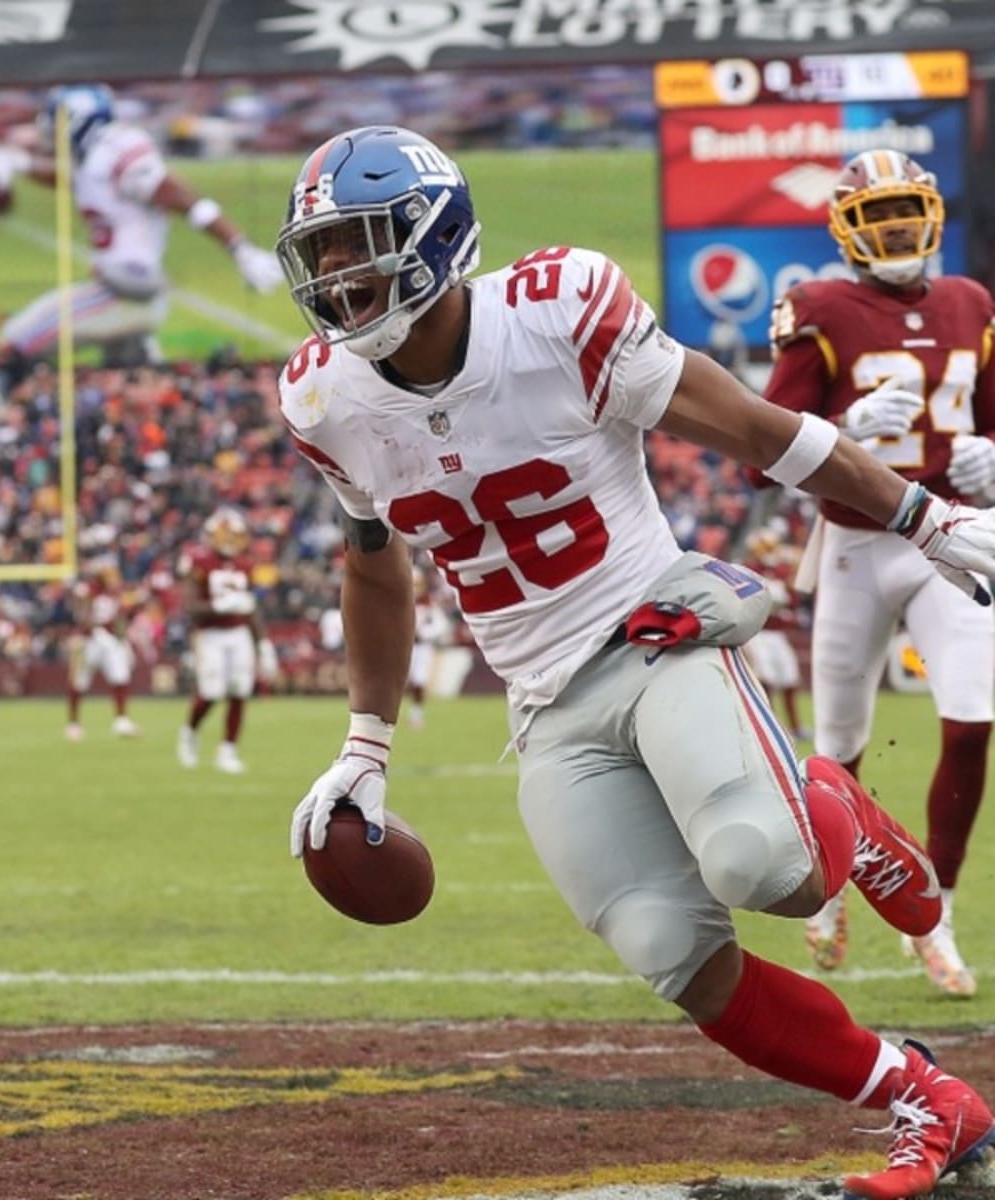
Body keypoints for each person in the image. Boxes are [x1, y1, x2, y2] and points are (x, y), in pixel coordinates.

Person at [277, 126, 995, 1200]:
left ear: (433, 238)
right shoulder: (324, 398)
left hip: (654, 634)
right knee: (680, 959)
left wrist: (921, 517)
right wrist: (364, 745)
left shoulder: (558, 311)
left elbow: (760, 429)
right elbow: (377, 569)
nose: (335, 274)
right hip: (543, 702)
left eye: (358, 244)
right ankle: (931, 1103)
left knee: (770, 869)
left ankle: (836, 802)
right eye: (321, 252)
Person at [762, 149, 995, 999]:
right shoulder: (819, 306)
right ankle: (828, 896)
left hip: (955, 538)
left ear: (932, 213)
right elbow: (763, 455)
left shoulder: (972, 300)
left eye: (907, 209)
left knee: (972, 722)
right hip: (858, 542)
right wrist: (842, 426)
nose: (896, 227)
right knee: (840, 751)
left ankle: (936, 918)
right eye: (878, 213)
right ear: (847, 227)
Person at [0, 83, 284, 398]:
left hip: (126, 291)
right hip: (124, 292)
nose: (51, 136)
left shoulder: (118, 152)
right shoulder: (93, 158)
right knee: (134, 384)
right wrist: (18, 162)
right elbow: (68, 175)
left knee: (16, 340)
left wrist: (238, 247)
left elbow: (183, 197)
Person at [176, 507, 276, 773]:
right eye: (226, 535)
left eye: (235, 535)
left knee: (240, 690)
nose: (231, 540)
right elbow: (189, 606)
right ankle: (189, 731)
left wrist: (263, 643)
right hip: (210, 634)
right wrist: (219, 606)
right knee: (211, 692)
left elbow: (250, 608)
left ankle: (228, 750)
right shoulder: (198, 560)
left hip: (239, 633)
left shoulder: (245, 563)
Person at [740, 526, 811, 743]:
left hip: (778, 634)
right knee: (765, 681)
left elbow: (792, 601)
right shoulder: (748, 570)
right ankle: (771, 727)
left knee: (789, 679)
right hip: (759, 634)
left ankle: (795, 726)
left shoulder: (781, 571)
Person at [65, 573, 140, 740]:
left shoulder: (114, 596)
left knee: (120, 677)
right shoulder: (89, 593)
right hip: (90, 641)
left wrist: (121, 637)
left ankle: (121, 720)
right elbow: (83, 615)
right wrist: (94, 628)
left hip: (109, 642)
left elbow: (120, 622)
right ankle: (73, 723)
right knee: (79, 681)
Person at [406, 564, 452, 729]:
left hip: (421, 646)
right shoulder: (399, 602)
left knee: (419, 680)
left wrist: (425, 633)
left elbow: (441, 625)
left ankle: (416, 715)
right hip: (403, 647)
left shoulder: (428, 603)